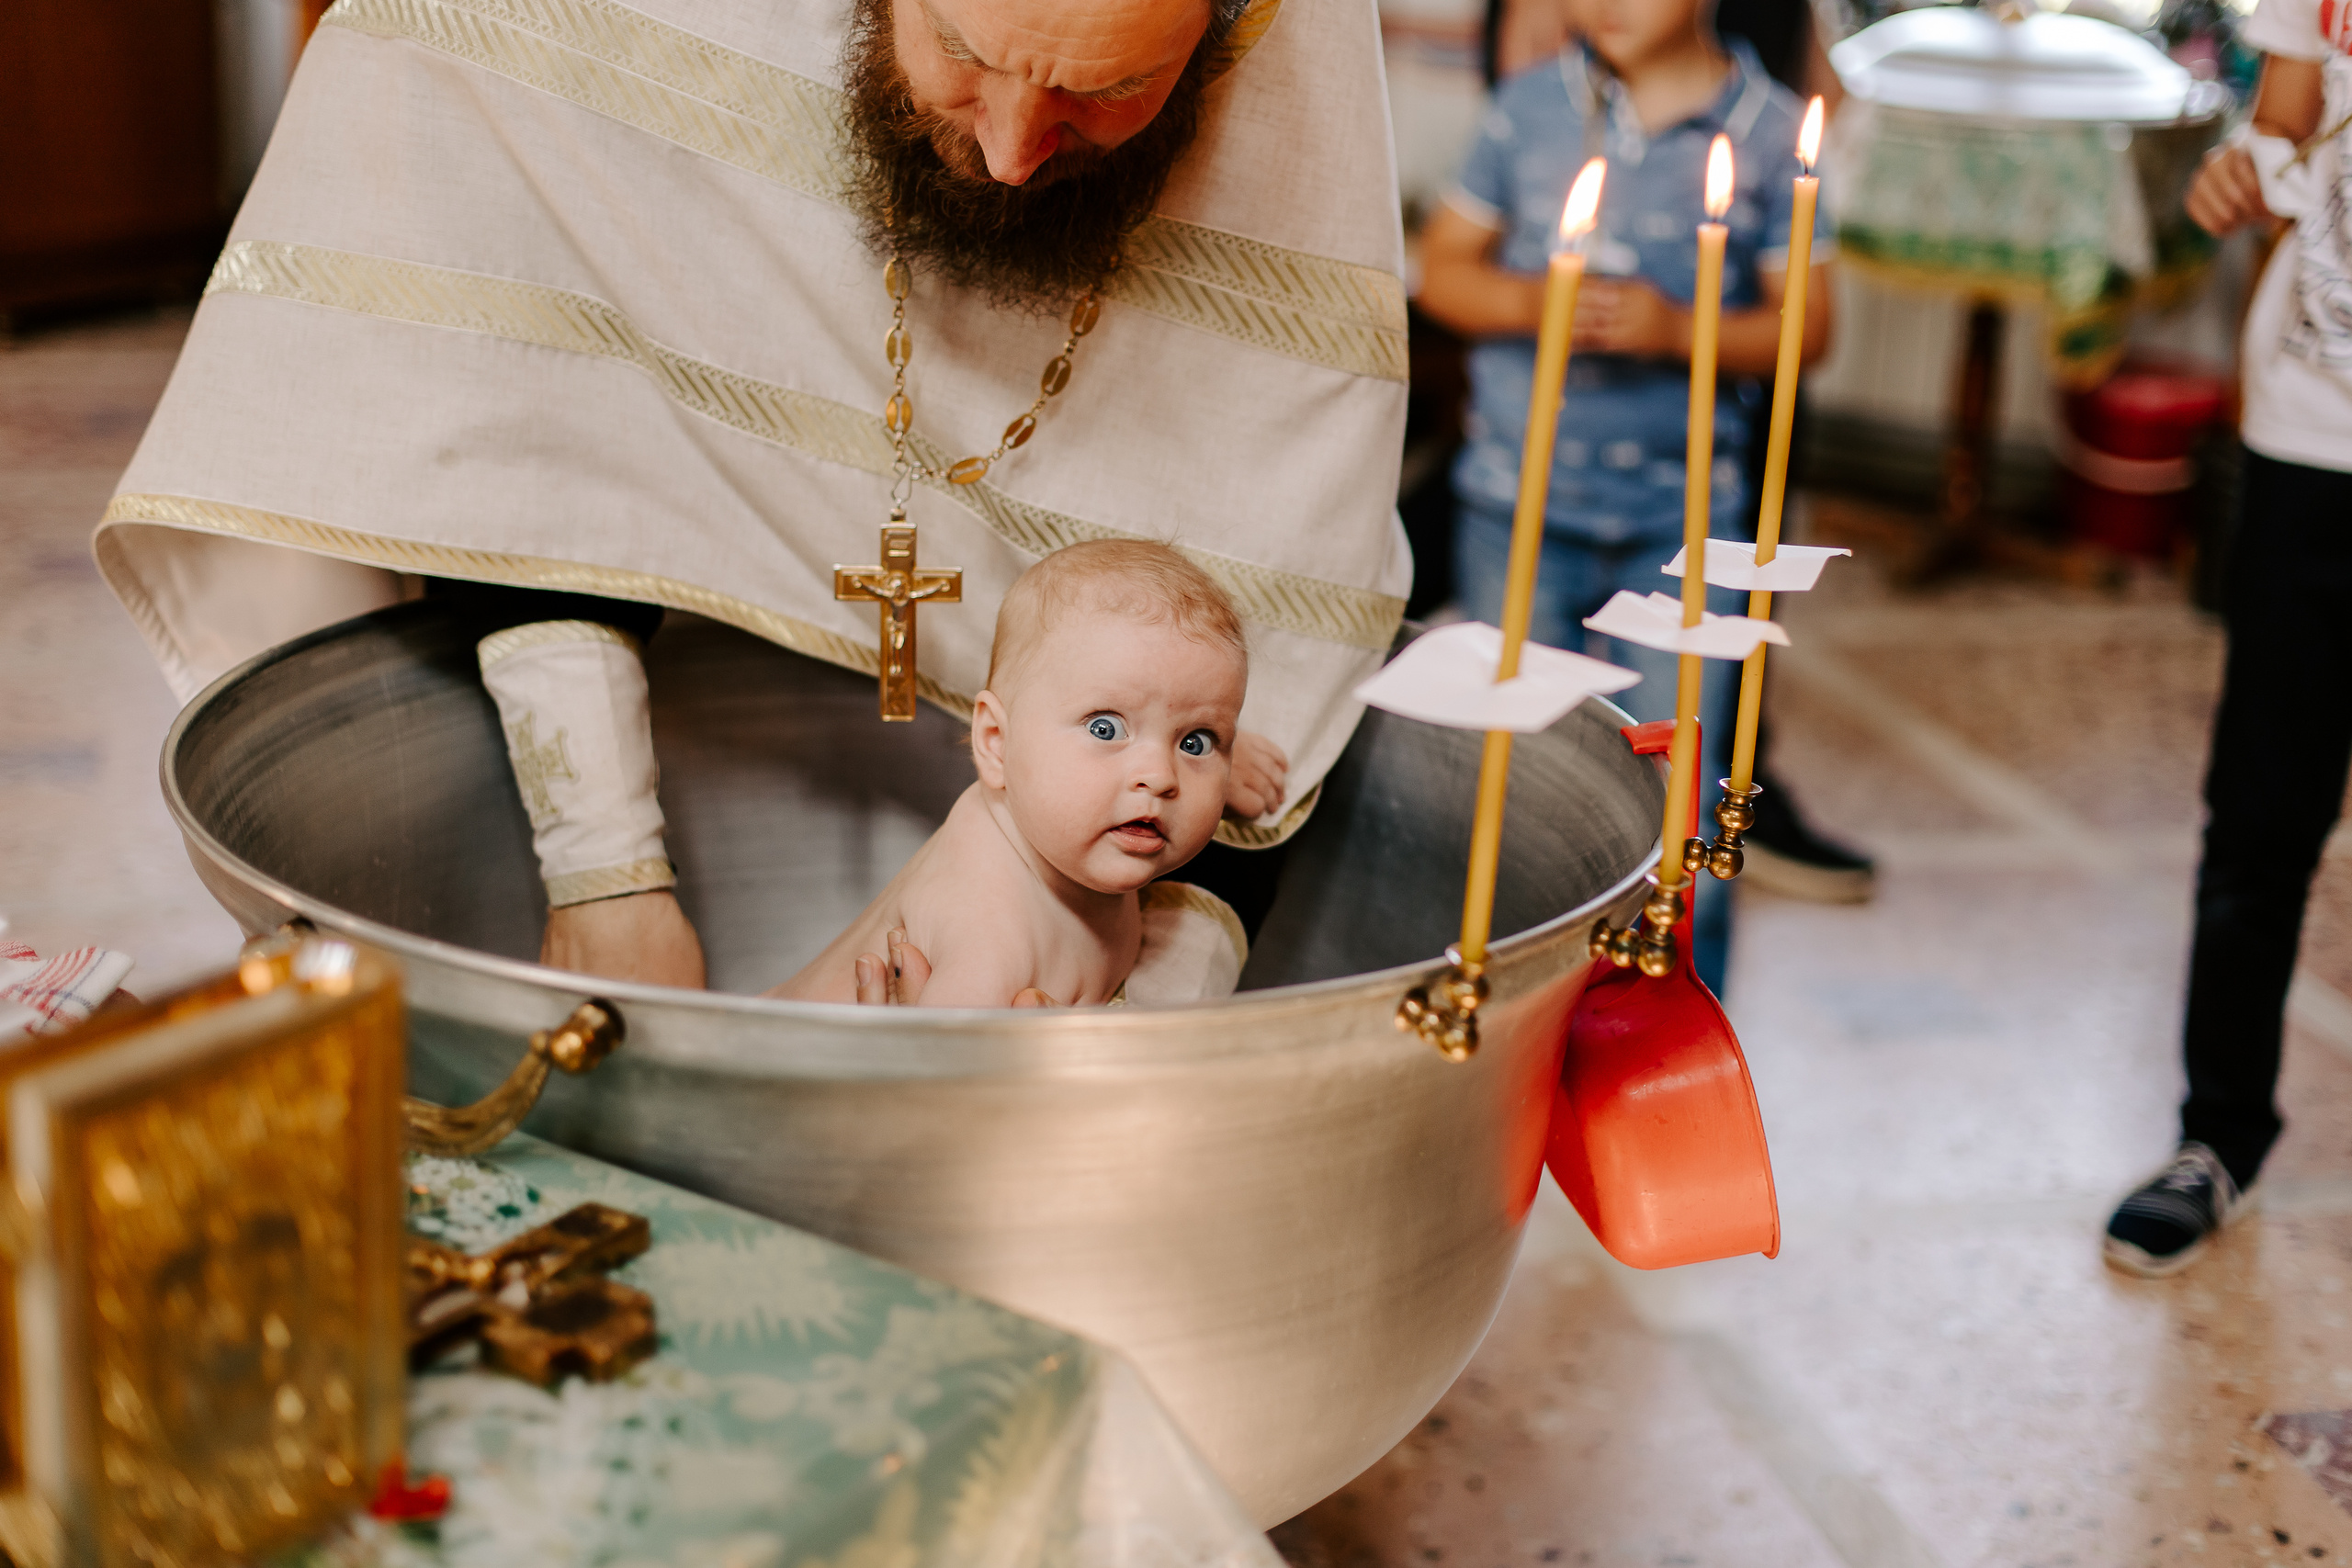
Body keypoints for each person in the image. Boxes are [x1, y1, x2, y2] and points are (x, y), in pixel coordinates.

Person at [96, 0, 1411, 989]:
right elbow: (520, 297)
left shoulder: (1293, 73)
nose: (1013, 152)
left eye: (1110, 88)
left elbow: (1269, 535)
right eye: (960, 47)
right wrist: (604, 871)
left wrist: (1174, 1035)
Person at [1415, 0, 1833, 993]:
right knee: (1508, 787)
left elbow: (1805, 330)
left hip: (1684, 524)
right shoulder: (1529, 109)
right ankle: (1515, 1011)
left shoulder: (1764, 132)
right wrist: (1533, 300)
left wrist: (1671, 325)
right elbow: (1441, 273)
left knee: (1681, 795)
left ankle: (1677, 1032)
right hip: (1514, 508)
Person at [2103, 6, 2349, 1277]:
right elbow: (2289, 124)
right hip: (2313, 437)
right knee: (2259, 813)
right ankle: (2219, 1136)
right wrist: (2244, 167)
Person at [776, 540, 1250, 1007]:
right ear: (997, 744)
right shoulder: (991, 930)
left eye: (1196, 741)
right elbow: (940, 1078)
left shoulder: (1061, 833)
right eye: (1106, 728)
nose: (1161, 775)